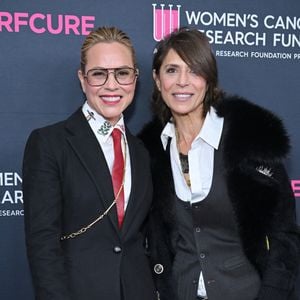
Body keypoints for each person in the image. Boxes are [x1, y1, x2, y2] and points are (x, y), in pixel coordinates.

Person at [139, 27, 300, 300]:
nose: (182, 81)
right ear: (157, 79)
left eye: (194, 70)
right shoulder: (148, 151)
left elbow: (284, 236)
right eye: (171, 70)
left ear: (209, 79)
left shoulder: (248, 140)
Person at [23, 26, 156, 300]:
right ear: (82, 80)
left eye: (122, 73)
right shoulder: (49, 143)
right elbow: (43, 245)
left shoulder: (142, 151)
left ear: (135, 79)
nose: (112, 84)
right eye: (99, 74)